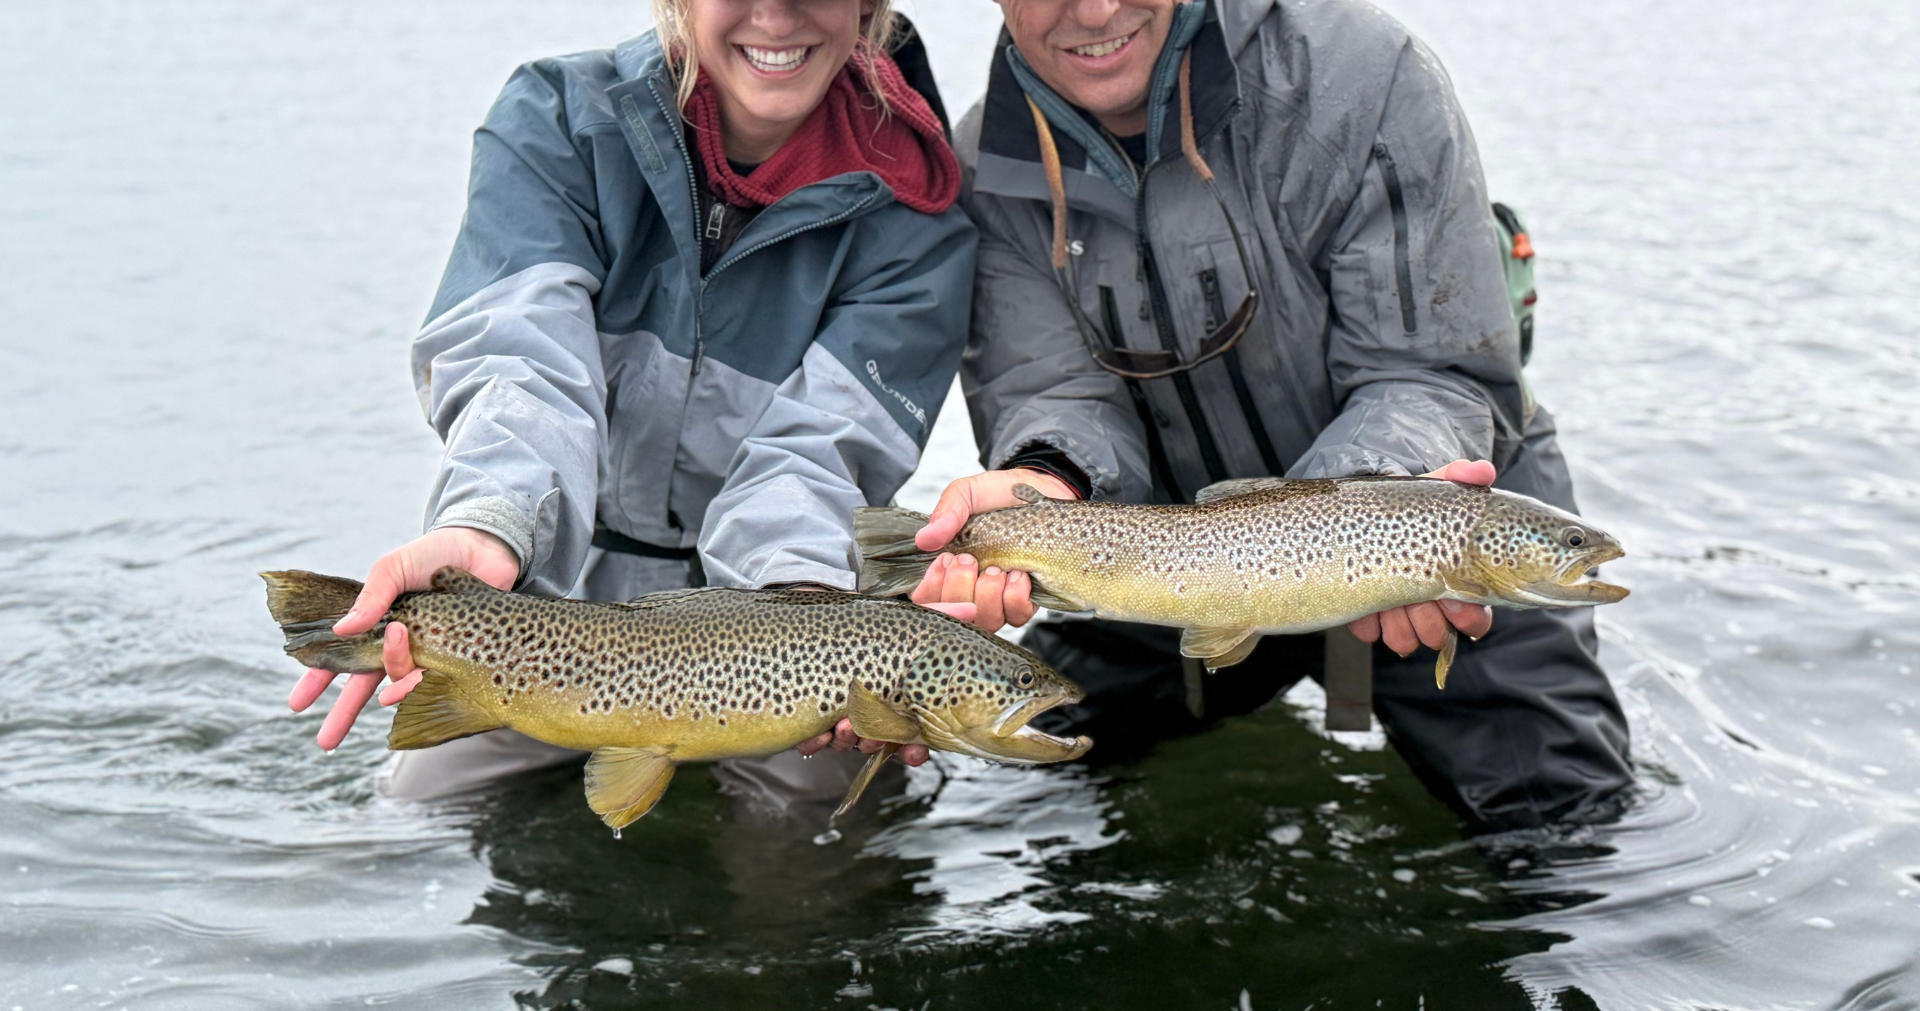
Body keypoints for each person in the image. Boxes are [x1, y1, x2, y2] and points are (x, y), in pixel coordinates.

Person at [896, 0, 1631, 830]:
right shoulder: (983, 162)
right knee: (1024, 772)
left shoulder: (1363, 74)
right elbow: (1052, 392)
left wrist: (1384, 510)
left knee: (1571, 833)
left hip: (1423, 501)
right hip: (1166, 557)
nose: (1095, 9)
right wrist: (1045, 483)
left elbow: (1427, 370)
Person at [286, 0, 973, 810]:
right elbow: (522, 361)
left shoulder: (921, 218)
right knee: (418, 816)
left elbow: (819, 457)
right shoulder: (557, 120)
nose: (777, 12)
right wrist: (488, 521)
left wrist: (807, 622)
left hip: (790, 608)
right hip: (551, 604)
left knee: (814, 870)